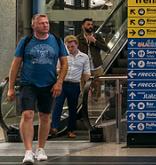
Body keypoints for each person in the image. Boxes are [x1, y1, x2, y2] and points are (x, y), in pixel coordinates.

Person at [7, 14, 69, 164]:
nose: (45, 25)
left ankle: (40, 148)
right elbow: (15, 65)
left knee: (45, 116)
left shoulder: (56, 40)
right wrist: (10, 88)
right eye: (41, 23)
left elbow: (65, 64)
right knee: (27, 114)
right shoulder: (26, 41)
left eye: (47, 23)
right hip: (28, 84)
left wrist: (59, 82)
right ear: (34, 25)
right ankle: (28, 151)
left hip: (49, 84)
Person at [50, 35, 91, 138]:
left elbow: (86, 73)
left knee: (73, 108)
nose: (70, 49)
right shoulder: (62, 56)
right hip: (62, 84)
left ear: (77, 45)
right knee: (57, 105)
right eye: (68, 47)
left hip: (74, 85)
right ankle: (54, 127)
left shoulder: (84, 57)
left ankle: (71, 130)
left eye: (72, 46)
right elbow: (56, 69)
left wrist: (89, 86)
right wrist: (61, 71)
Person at [76, 18, 109, 88]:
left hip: (96, 67)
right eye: (88, 24)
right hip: (83, 68)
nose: (90, 26)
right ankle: (86, 99)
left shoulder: (97, 36)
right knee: (84, 89)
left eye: (91, 24)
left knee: (98, 89)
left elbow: (106, 49)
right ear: (83, 26)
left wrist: (95, 41)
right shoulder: (78, 38)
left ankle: (96, 99)